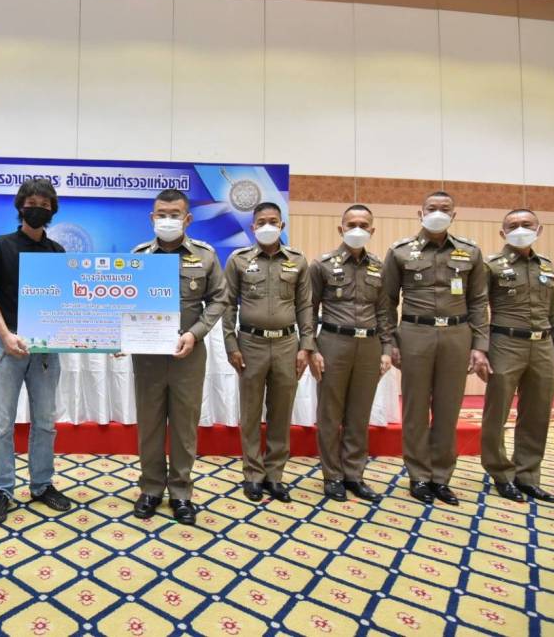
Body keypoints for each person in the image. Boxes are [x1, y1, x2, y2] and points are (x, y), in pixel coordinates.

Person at [383, 191, 490, 505]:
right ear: (420, 213)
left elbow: (478, 301)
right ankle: (418, 476)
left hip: (457, 335)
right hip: (415, 334)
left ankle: (441, 478)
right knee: (415, 409)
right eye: (432, 208)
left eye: (445, 209)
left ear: (454, 215)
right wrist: (390, 341)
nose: (438, 213)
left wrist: (479, 345)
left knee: (447, 409)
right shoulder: (400, 251)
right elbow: (387, 301)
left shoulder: (470, 252)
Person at [0, 177, 72, 523]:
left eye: (45, 205)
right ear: (20, 207)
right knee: (2, 423)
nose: (38, 210)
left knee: (45, 422)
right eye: (32, 204)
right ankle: (1, 489)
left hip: (46, 350)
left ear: (52, 210)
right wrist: (5, 335)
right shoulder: (0, 245)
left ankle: (42, 484)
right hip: (7, 345)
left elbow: (66, 302)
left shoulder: (57, 252)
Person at [130, 189, 227, 525]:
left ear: (187, 219)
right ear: (152, 218)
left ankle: (181, 492)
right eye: (161, 214)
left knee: (185, 426)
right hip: (148, 357)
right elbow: (123, 300)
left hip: (188, 353)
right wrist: (119, 336)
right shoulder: (138, 257)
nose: (167, 220)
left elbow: (219, 299)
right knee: (150, 423)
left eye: (174, 215)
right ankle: (151, 488)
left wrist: (195, 333)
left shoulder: (205, 256)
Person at [222, 202, 317, 503]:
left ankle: (275, 475)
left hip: (287, 344)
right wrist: (231, 344)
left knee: (281, 411)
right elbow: (227, 304)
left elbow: (305, 306)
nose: (267, 226)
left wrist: (306, 346)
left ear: (282, 225)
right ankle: (253, 474)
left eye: (273, 221)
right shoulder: (238, 260)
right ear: (252, 227)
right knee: (250, 412)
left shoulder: (297, 260)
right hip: (251, 344)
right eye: (261, 221)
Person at [481, 209, 554, 503]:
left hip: (542, 345)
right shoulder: (491, 266)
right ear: (502, 233)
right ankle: (500, 473)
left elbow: (552, 310)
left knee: (537, 413)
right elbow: (479, 309)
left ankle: (527, 475)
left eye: (526, 224)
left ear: (538, 230)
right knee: (497, 413)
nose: (520, 229)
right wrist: (480, 348)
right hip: (505, 343)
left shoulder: (546, 266)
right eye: (513, 225)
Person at [309, 205, 393, 502]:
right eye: (351, 224)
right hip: (334, 342)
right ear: (340, 228)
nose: (357, 229)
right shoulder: (321, 265)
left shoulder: (380, 267)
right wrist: (311, 348)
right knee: (330, 414)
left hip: (369, 345)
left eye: (363, 224)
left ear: (372, 230)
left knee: (359, 414)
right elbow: (309, 310)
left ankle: (354, 475)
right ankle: (332, 475)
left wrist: (386, 349)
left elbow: (385, 312)